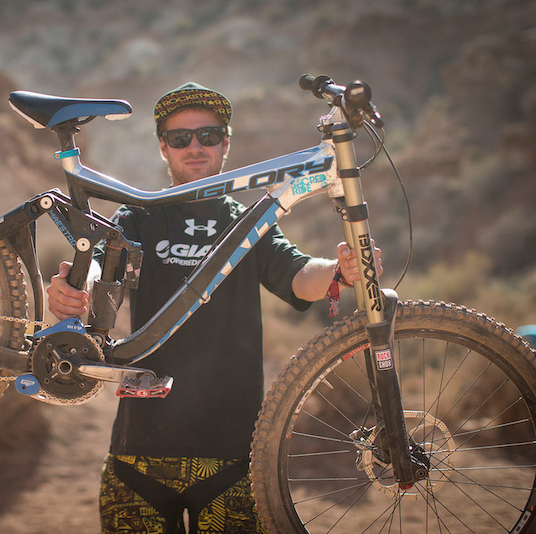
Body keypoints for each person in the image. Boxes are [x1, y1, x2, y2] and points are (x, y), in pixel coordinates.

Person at [47, 82, 382, 533]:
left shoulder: (245, 220)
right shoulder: (138, 217)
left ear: (226, 142)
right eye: (181, 138)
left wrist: (341, 270)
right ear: (163, 148)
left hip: (235, 461)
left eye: (208, 135)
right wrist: (72, 291)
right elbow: (99, 273)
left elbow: (299, 277)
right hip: (138, 455)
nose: (195, 147)